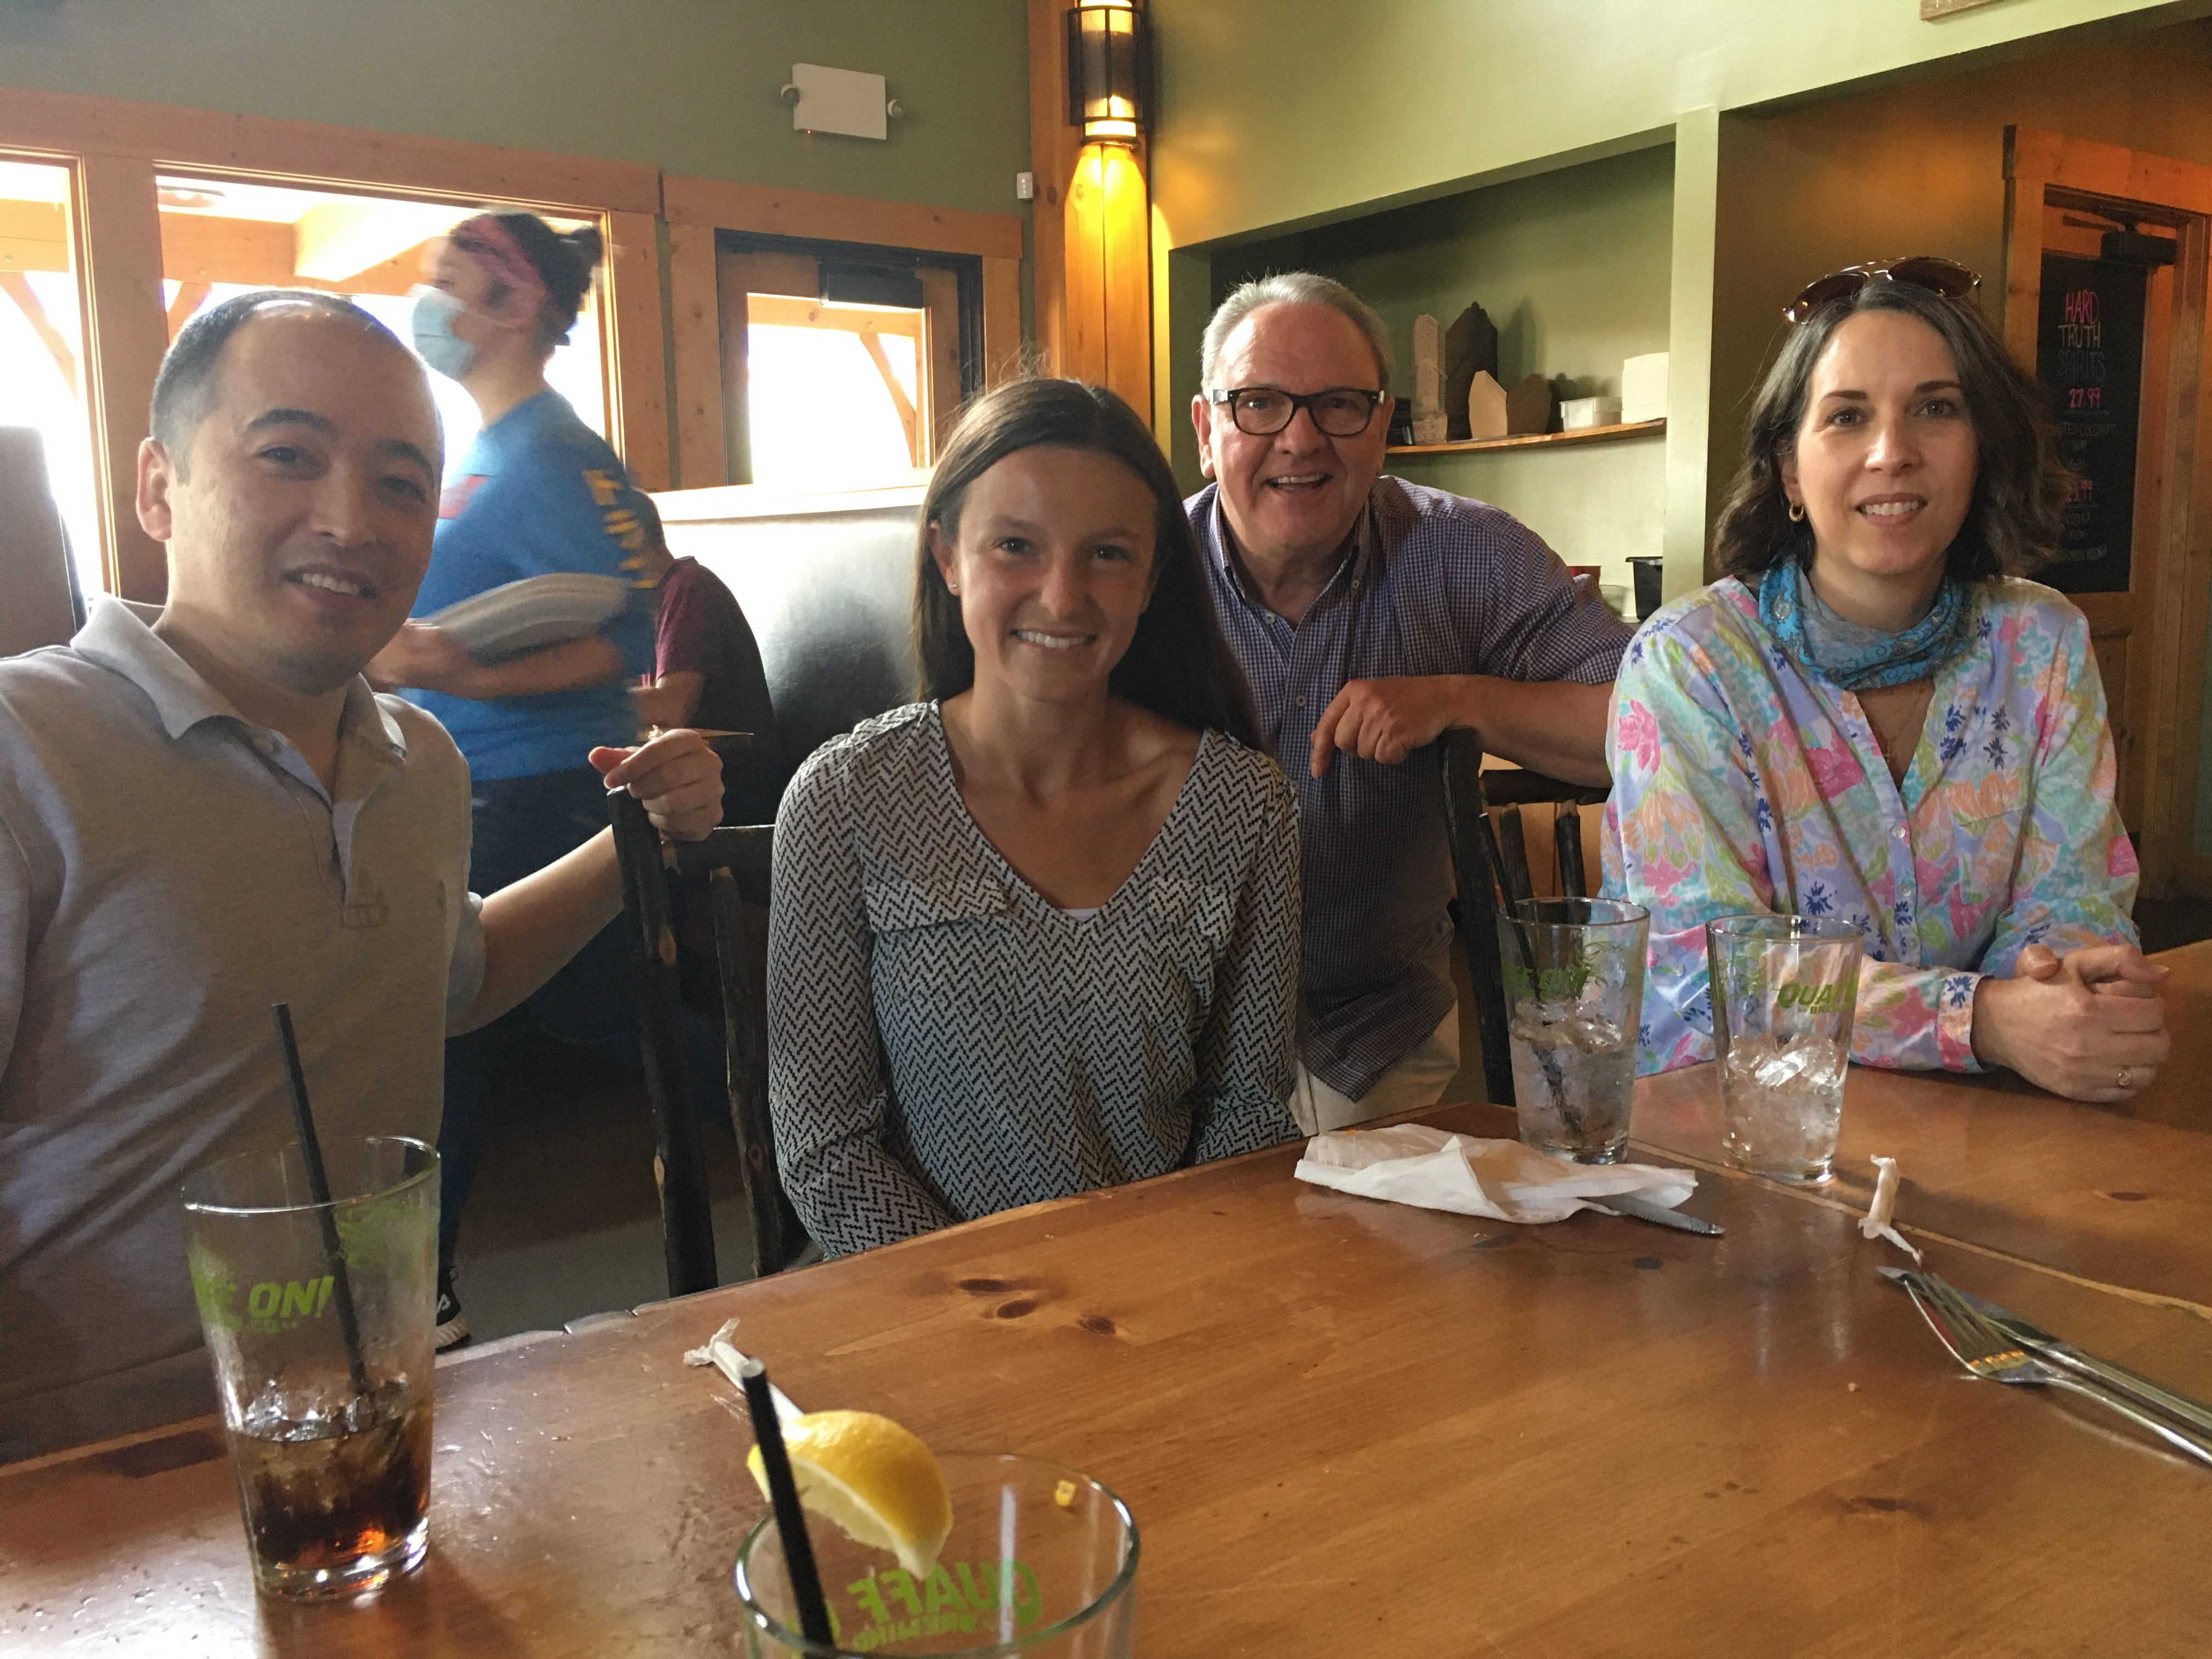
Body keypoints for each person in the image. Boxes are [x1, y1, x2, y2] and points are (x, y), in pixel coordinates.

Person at [0, 291, 721, 1460]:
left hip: (374, 1439)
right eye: (288, 456)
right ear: (156, 486)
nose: (351, 520)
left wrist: (631, 835)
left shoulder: (417, 759)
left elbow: (454, 976)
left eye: (399, 483)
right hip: (88, 1493)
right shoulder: (24, 748)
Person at [1602, 257, 2168, 1101]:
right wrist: (1982, 1021)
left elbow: (2072, 900)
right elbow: (1714, 973)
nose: (1892, 453)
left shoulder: (2043, 643)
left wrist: (2065, 996)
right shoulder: (1690, 662)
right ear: (1791, 472)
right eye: (1847, 417)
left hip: (1983, 1125)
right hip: (1727, 1136)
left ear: (1983, 450)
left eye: (1936, 409)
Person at [768, 377, 1301, 1258]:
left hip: (1162, 1301)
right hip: (918, 1318)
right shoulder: (843, 802)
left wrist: (1153, 1290)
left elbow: (1247, 1112)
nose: (1061, 597)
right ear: (947, 557)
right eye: (1016, 545)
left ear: (1154, 575)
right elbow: (828, 1151)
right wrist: (997, 1310)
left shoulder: (1245, 806)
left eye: (1108, 554)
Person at [1188, 273, 1632, 1134]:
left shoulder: (1466, 553)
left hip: (1377, 1037)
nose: (1301, 439)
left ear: (1382, 425)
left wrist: (1462, 699)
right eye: (1260, 404)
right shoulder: (1138, 576)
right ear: (1208, 430)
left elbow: (1644, 728)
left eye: (1339, 405)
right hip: (1176, 1042)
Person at [365, 210, 660, 1346]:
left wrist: (463, 674)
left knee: (460, 1025)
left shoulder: (554, 454)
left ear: (515, 303)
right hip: (470, 781)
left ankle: (419, 1288)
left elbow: (628, 636)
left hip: (541, 786)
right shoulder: (479, 449)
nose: (428, 299)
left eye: (451, 280)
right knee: (592, 1015)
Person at [629, 493, 788, 825]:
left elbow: (671, 706)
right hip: (688, 795)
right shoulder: (644, 606)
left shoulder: (689, 587)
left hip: (730, 800)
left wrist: (576, 707)